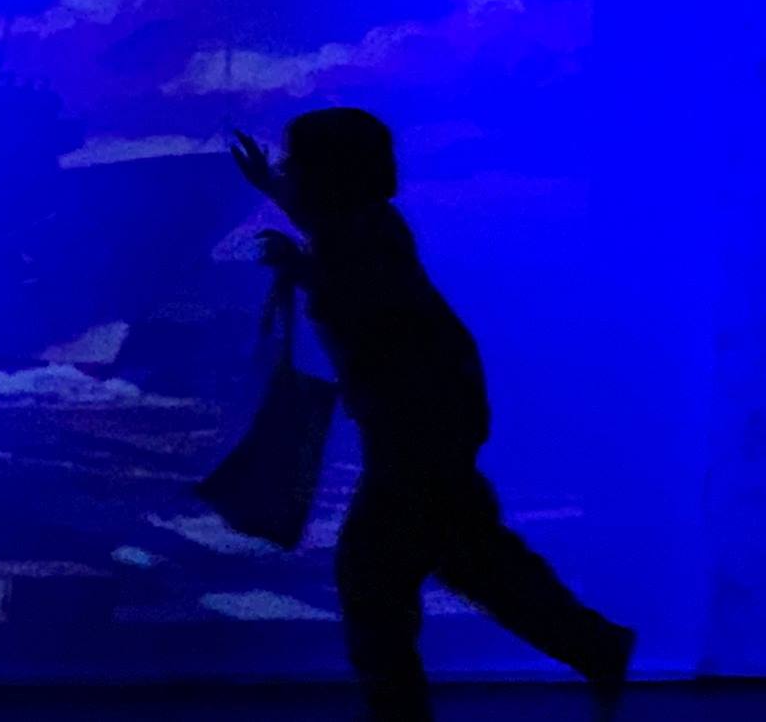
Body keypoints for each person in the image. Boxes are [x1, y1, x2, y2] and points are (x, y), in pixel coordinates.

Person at [233, 109, 634, 721]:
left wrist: (299, 260)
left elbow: (358, 296)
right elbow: (340, 256)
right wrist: (279, 204)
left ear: (328, 171)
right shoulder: (365, 223)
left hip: (415, 423)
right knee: (471, 557)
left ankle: (406, 714)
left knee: (372, 581)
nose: (288, 170)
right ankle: (595, 645)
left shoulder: (359, 234)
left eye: (297, 162)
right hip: (433, 413)